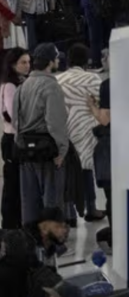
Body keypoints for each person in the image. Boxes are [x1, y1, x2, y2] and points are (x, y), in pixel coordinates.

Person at [11, 44, 68, 224]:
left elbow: (15, 121)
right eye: (56, 58)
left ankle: (33, 246)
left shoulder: (22, 86)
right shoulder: (51, 86)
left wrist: (20, 143)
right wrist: (62, 150)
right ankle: (52, 247)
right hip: (47, 152)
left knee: (29, 202)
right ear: (50, 62)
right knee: (52, 202)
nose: (58, 61)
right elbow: (55, 122)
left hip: (26, 152)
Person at [54, 44, 103, 223]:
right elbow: (102, 103)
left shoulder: (59, 80)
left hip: (65, 128)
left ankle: (69, 213)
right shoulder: (92, 79)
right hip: (87, 129)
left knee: (67, 170)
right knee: (86, 168)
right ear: (87, 60)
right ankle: (91, 208)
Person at [0, 206, 73, 294]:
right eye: (58, 226)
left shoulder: (49, 250)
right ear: (44, 228)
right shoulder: (22, 240)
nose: (64, 231)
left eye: (66, 226)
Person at [0, 48, 29, 229]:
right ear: (13, 65)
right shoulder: (10, 86)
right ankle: (11, 225)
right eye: (23, 63)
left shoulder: (20, 82)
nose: (27, 66)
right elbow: (13, 115)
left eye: (28, 62)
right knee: (13, 184)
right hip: (13, 140)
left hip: (15, 138)